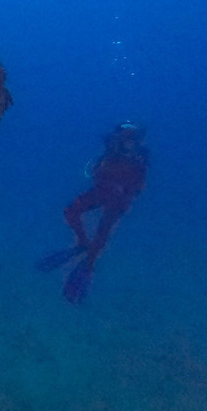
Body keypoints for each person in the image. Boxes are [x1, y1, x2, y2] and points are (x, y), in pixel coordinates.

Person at [39, 122, 149, 303]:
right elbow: (95, 172)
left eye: (132, 139)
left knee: (103, 230)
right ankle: (83, 244)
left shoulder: (140, 158)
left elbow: (138, 186)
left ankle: (89, 263)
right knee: (71, 211)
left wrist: (123, 190)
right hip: (102, 192)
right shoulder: (112, 150)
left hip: (119, 200)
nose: (128, 143)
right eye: (125, 138)